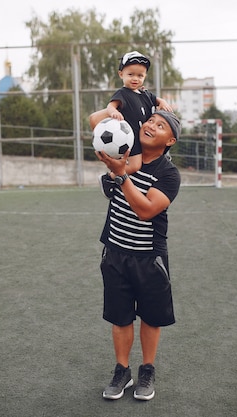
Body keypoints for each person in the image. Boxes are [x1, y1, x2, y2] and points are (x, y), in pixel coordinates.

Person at [95, 110, 181, 401]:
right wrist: (111, 110)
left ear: (170, 140)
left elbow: (145, 211)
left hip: (149, 258)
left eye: (160, 125)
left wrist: (121, 177)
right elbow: (95, 122)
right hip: (116, 252)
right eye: (150, 120)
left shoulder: (168, 174)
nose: (151, 125)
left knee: (151, 317)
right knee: (119, 318)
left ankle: (147, 370)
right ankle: (122, 371)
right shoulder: (124, 153)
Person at [89, 51, 172, 198]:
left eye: (140, 75)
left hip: (142, 137)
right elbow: (111, 106)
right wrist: (113, 111)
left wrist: (163, 102)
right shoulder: (123, 93)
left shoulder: (145, 94)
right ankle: (109, 178)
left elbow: (156, 100)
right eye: (130, 74)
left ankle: (121, 180)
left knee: (140, 166)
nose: (135, 78)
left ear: (145, 77)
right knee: (135, 166)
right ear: (121, 74)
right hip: (129, 138)